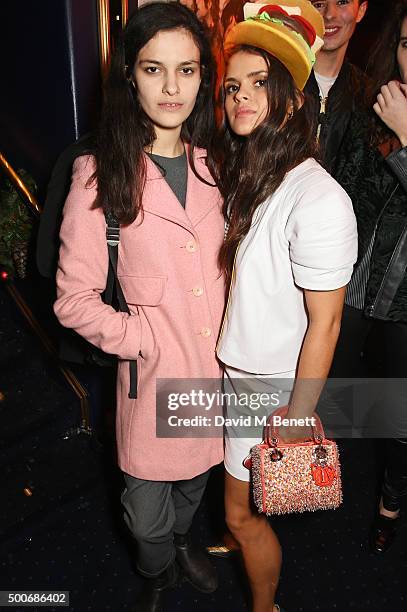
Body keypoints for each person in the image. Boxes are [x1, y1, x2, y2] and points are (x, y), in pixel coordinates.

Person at [53, 3, 225, 610]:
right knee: (144, 515)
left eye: (188, 70)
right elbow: (72, 300)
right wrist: (140, 338)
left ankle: (181, 544)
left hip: (211, 378)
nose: (172, 88)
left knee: (194, 487)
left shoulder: (218, 165)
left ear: (204, 77)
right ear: (130, 74)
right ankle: (157, 565)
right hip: (150, 382)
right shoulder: (100, 174)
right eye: (155, 70)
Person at [212, 2, 358, 611]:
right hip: (237, 370)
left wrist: (298, 417)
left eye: (259, 85)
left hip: (269, 388)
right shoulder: (254, 173)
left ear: (293, 99)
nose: (240, 98)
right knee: (241, 508)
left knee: (244, 515)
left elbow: (326, 323)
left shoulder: (318, 198)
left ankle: (264, 605)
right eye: (232, 87)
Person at [331, 0, 407, 554]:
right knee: (332, 391)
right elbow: (347, 191)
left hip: (405, 302)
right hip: (354, 283)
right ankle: (317, 481)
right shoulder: (378, 102)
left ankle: (390, 503)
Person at [305, 0, 368, 173]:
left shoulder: (369, 97)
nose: (330, 14)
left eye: (342, 2)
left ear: (361, 10)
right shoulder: (281, 81)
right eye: (319, 4)